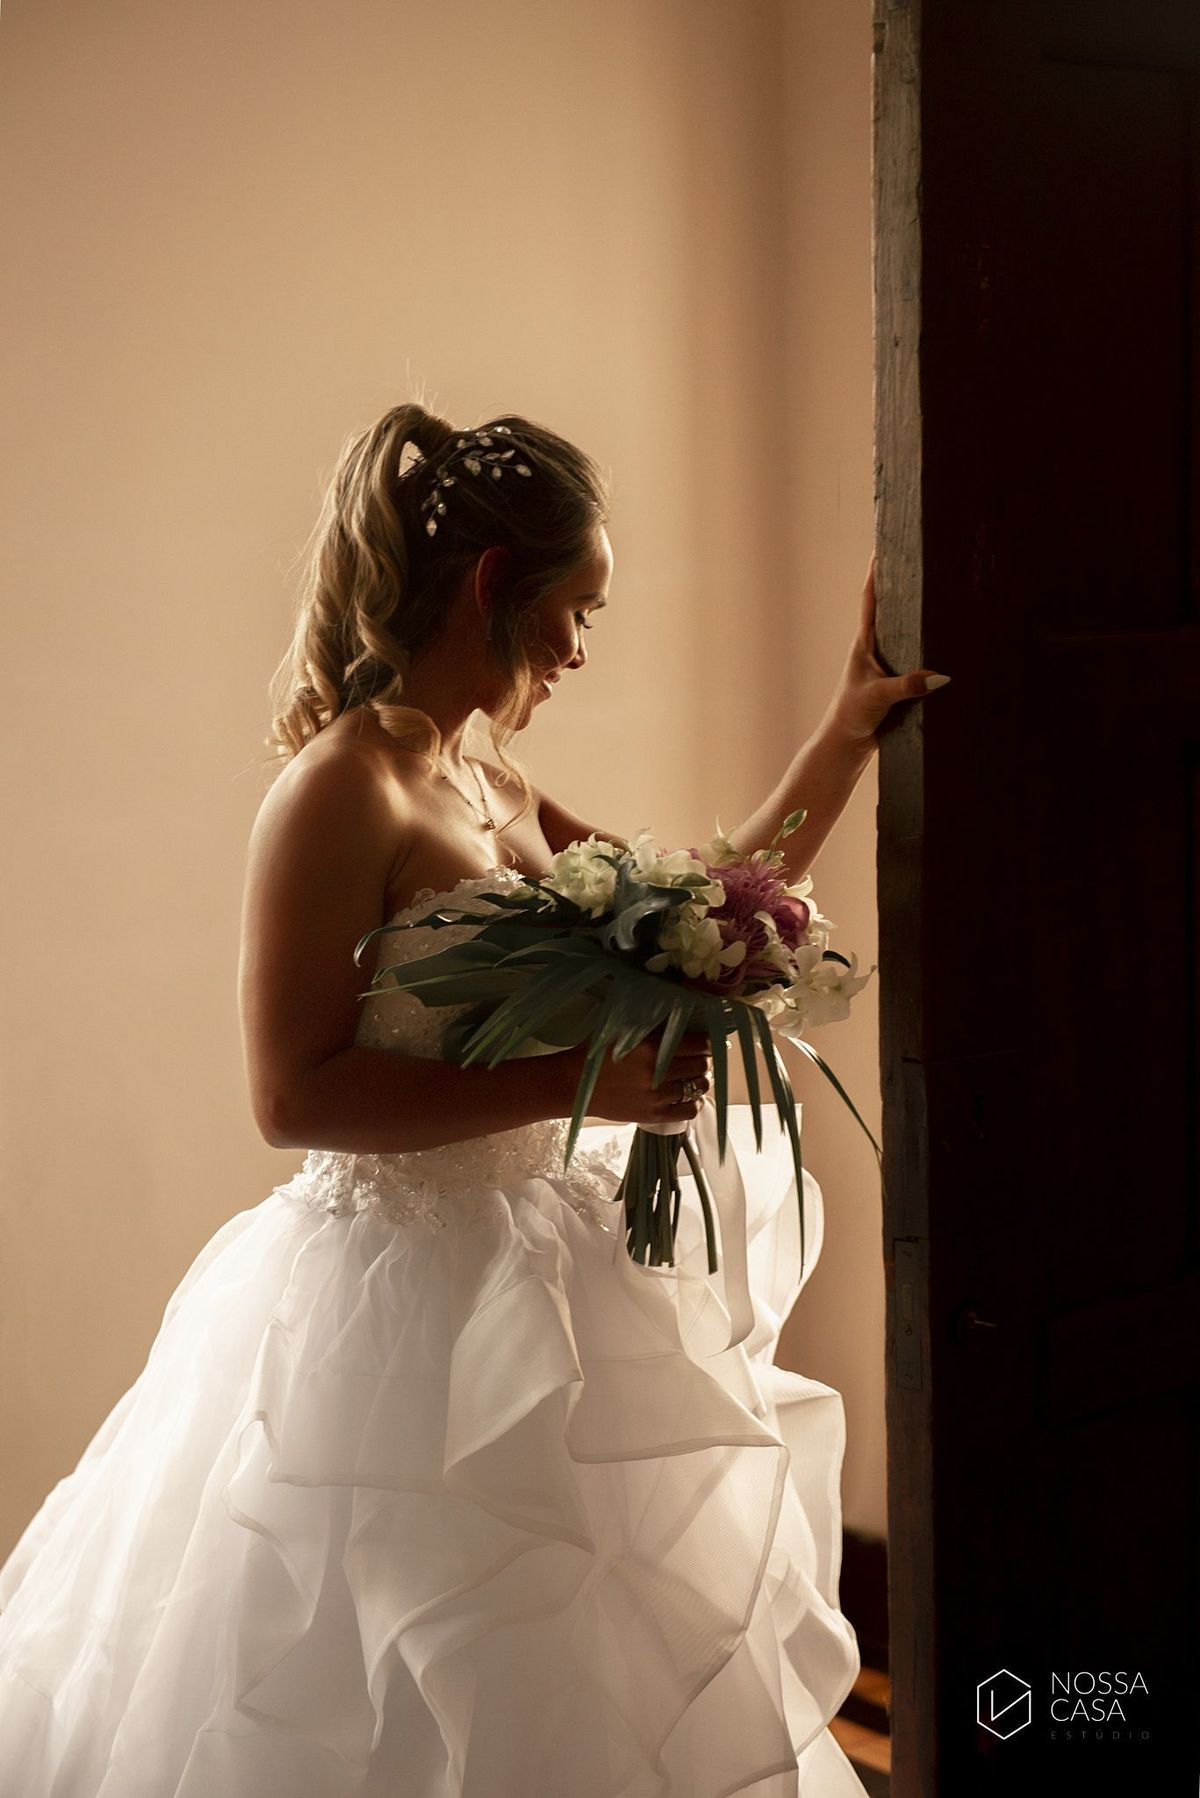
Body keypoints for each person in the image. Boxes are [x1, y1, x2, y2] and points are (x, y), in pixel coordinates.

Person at [0, 402, 948, 1795]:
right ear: (498, 584)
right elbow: (291, 1090)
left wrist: (848, 728)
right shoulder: (338, 794)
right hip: (389, 1318)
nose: (578, 649)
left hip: (548, 1286)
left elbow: (703, 908)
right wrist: (587, 1076)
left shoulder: (484, 773)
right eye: (576, 609)